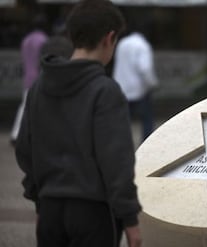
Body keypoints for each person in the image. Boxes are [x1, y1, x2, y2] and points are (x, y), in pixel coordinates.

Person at [14, 0, 142, 246]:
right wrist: (130, 219)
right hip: (93, 213)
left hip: (50, 210)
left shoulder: (39, 87)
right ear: (109, 38)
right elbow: (116, 161)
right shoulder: (105, 91)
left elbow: (25, 150)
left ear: (72, 35)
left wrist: (40, 200)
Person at [113, 27, 158, 142]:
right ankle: (147, 143)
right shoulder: (143, 45)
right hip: (139, 89)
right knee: (146, 118)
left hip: (121, 87)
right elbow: (145, 68)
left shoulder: (122, 43)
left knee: (123, 120)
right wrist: (152, 83)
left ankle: (121, 142)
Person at [10, 14, 48, 145]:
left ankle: (19, 134)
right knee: (33, 107)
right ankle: (17, 134)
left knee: (25, 105)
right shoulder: (43, 40)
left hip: (27, 76)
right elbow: (42, 61)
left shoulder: (26, 40)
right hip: (38, 78)